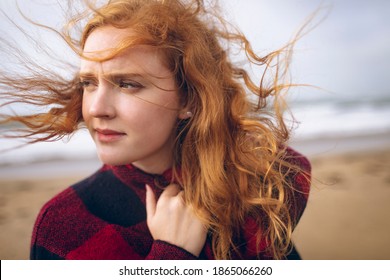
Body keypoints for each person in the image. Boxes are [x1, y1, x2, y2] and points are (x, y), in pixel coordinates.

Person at [0, 0, 311, 260]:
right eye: (88, 83)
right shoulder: (64, 224)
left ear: (188, 97)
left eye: (128, 84)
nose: (96, 108)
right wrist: (172, 256)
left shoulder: (258, 194)